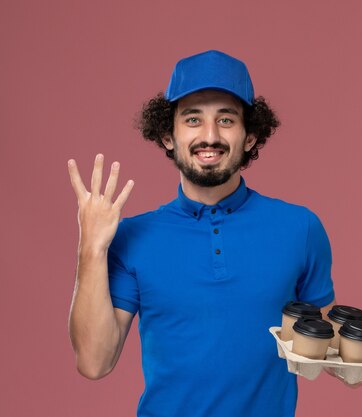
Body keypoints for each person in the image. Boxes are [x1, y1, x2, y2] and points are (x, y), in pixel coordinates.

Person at [67, 50, 343, 417]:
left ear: (250, 137)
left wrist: (355, 357)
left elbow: (322, 345)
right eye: (193, 119)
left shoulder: (301, 228)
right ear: (168, 135)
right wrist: (91, 249)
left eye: (226, 120)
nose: (209, 136)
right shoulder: (133, 236)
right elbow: (94, 362)